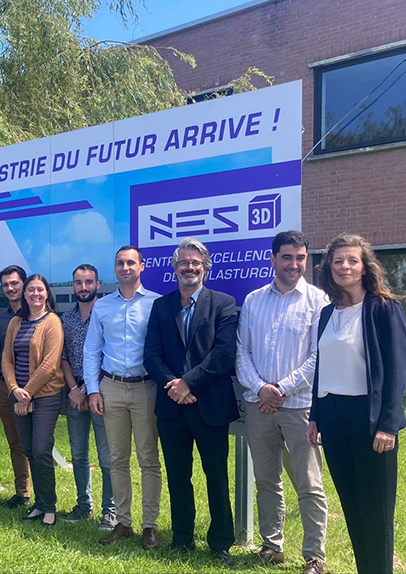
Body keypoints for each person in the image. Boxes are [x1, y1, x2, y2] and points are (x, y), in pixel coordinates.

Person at [307, 234, 406, 574]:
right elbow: (322, 367)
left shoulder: (383, 308)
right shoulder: (327, 314)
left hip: (369, 419)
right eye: (338, 261)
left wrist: (388, 425)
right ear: (329, 268)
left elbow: (395, 371)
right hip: (333, 418)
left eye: (352, 260)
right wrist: (315, 416)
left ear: (365, 267)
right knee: (352, 507)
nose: (344, 267)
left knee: (375, 512)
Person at [236, 231, 328, 574]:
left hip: (300, 406)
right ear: (273, 259)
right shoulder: (254, 300)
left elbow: (319, 355)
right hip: (258, 405)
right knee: (266, 480)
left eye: (300, 258)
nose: (294, 264)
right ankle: (272, 546)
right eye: (287, 257)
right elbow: (241, 350)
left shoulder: (318, 301)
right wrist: (261, 388)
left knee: (309, 483)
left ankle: (314, 557)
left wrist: (281, 389)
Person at [143, 237, 238, 566]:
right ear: (175, 268)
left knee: (216, 476)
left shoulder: (223, 303)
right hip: (171, 406)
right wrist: (175, 385)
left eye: (196, 263)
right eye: (184, 262)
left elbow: (224, 354)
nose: (190, 267)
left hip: (210, 404)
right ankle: (182, 538)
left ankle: (221, 542)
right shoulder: (161, 306)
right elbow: (151, 355)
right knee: (178, 476)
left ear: (205, 268)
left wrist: (189, 383)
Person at [84, 246, 161, 549]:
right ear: (114, 268)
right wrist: (93, 389)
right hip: (112, 388)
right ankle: (123, 522)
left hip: (146, 388)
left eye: (131, 262)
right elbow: (92, 350)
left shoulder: (156, 303)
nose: (125, 267)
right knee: (117, 459)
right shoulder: (103, 307)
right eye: (120, 263)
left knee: (148, 460)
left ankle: (150, 525)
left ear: (142, 266)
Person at [2, 274, 64, 526]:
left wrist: (25, 394)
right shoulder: (15, 322)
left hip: (46, 396)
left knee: (41, 450)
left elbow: (50, 364)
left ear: (47, 293)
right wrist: (14, 389)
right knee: (28, 450)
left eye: (40, 289)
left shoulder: (52, 322)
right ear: (25, 294)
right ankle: (39, 504)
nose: (35, 294)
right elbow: (6, 359)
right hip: (19, 396)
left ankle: (49, 507)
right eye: (30, 289)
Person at [60, 264, 117, 531]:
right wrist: (74, 389)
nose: (83, 287)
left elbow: (108, 355)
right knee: (78, 454)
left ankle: (110, 511)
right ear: (73, 285)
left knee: (106, 457)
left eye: (88, 282)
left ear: (98, 284)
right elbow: (63, 358)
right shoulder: (66, 318)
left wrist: (86, 390)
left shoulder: (107, 313)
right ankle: (84, 505)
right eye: (78, 282)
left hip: (102, 393)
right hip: (74, 394)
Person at [0, 265, 32, 509]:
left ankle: (45, 497)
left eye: (14, 283)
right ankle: (22, 493)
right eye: (5, 285)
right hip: (5, 388)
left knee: (36, 444)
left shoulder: (38, 313)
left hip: (33, 389)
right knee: (15, 441)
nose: (10, 288)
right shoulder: (0, 319)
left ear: (24, 284)